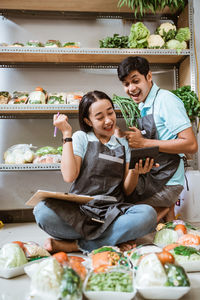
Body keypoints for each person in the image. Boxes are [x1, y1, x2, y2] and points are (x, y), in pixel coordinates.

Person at [33, 90, 157, 253]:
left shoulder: (122, 143)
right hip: (81, 212)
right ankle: (112, 239)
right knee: (42, 211)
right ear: (88, 121)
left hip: (113, 212)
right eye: (99, 117)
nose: (108, 120)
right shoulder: (81, 138)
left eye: (110, 113)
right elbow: (69, 176)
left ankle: (75, 245)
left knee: (147, 215)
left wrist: (135, 172)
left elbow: (127, 190)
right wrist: (66, 133)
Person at [117, 56, 198, 222]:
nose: (131, 88)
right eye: (126, 84)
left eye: (135, 81)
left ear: (148, 76)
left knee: (122, 212)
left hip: (168, 182)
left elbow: (191, 144)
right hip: (155, 177)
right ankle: (168, 222)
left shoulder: (166, 100)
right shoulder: (144, 104)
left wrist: (144, 143)